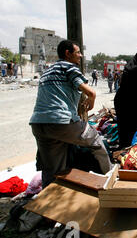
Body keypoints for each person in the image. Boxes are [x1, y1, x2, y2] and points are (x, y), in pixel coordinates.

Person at [29, 40, 112, 188]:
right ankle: (111, 178)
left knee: (52, 167)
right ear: (68, 53)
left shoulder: (47, 71)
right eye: (78, 52)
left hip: (38, 124)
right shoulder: (69, 67)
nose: (80, 55)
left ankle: (46, 199)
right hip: (61, 122)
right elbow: (90, 91)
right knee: (96, 141)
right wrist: (91, 100)